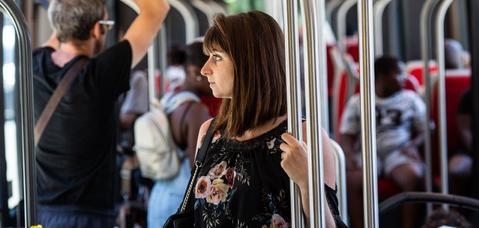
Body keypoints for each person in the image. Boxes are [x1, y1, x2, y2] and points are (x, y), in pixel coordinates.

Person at [190, 11, 346, 227]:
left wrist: (307, 183)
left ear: (249, 62)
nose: (205, 69)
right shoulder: (210, 132)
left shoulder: (303, 135)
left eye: (216, 57)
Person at [32, 0, 170, 227]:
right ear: (97, 29)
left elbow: (61, 30)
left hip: (39, 213)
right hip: (89, 217)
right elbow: (158, 8)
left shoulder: (34, 65)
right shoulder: (100, 74)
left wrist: (67, 16)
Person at [340, 56, 426, 228]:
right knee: (352, 180)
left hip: (398, 151)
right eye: (398, 73)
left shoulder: (410, 99)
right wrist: (349, 157)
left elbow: (425, 129)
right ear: (382, 76)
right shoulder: (358, 101)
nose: (404, 78)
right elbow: (346, 134)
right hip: (367, 152)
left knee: (412, 176)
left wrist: (414, 144)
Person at [147, 41, 212, 227]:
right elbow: (198, 166)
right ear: (194, 72)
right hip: (180, 198)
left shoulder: (171, 98)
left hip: (160, 194)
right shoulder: (196, 110)